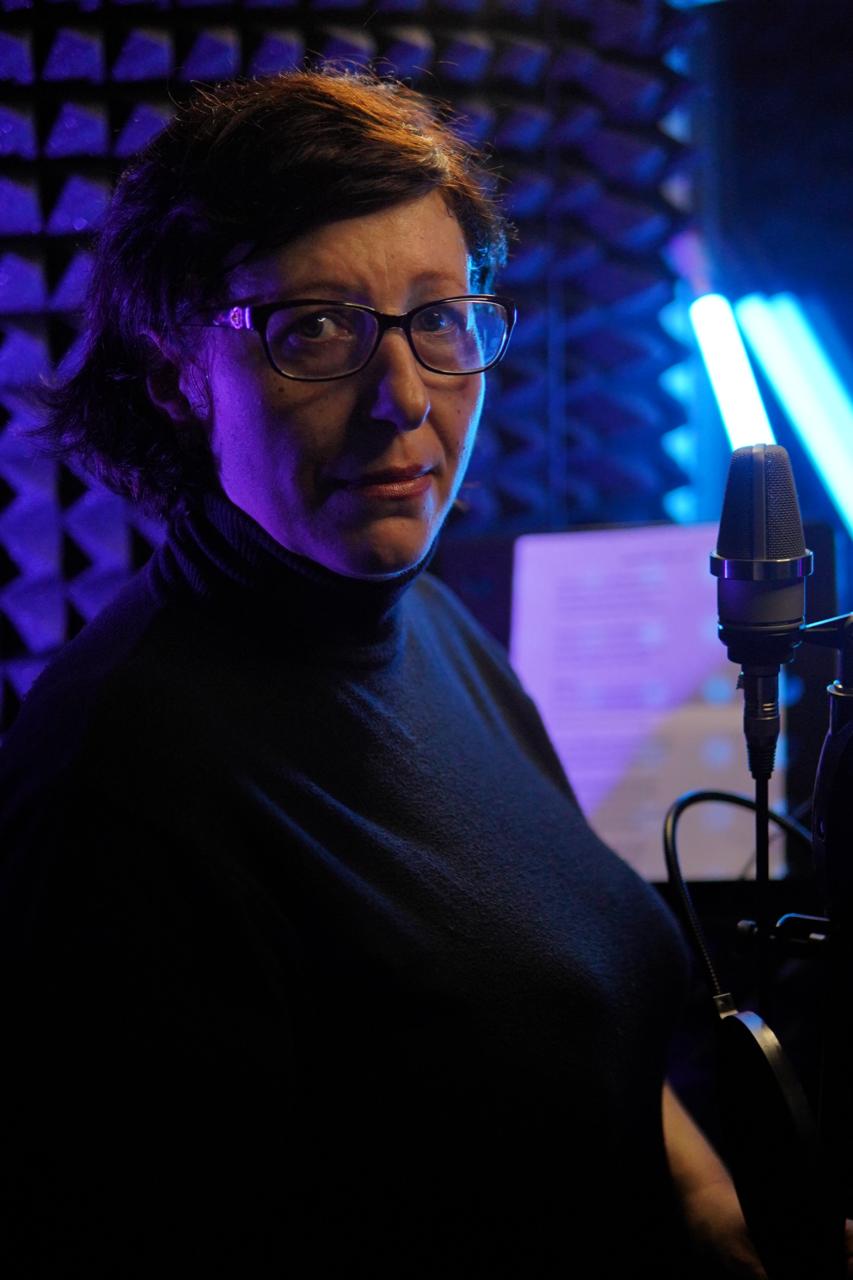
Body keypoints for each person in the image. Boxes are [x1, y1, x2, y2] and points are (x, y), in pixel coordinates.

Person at [0, 69, 765, 1278]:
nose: (402, 400)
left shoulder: (427, 617)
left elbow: (571, 992)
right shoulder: (115, 787)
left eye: (439, 317)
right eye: (316, 328)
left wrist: (709, 1207)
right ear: (175, 372)